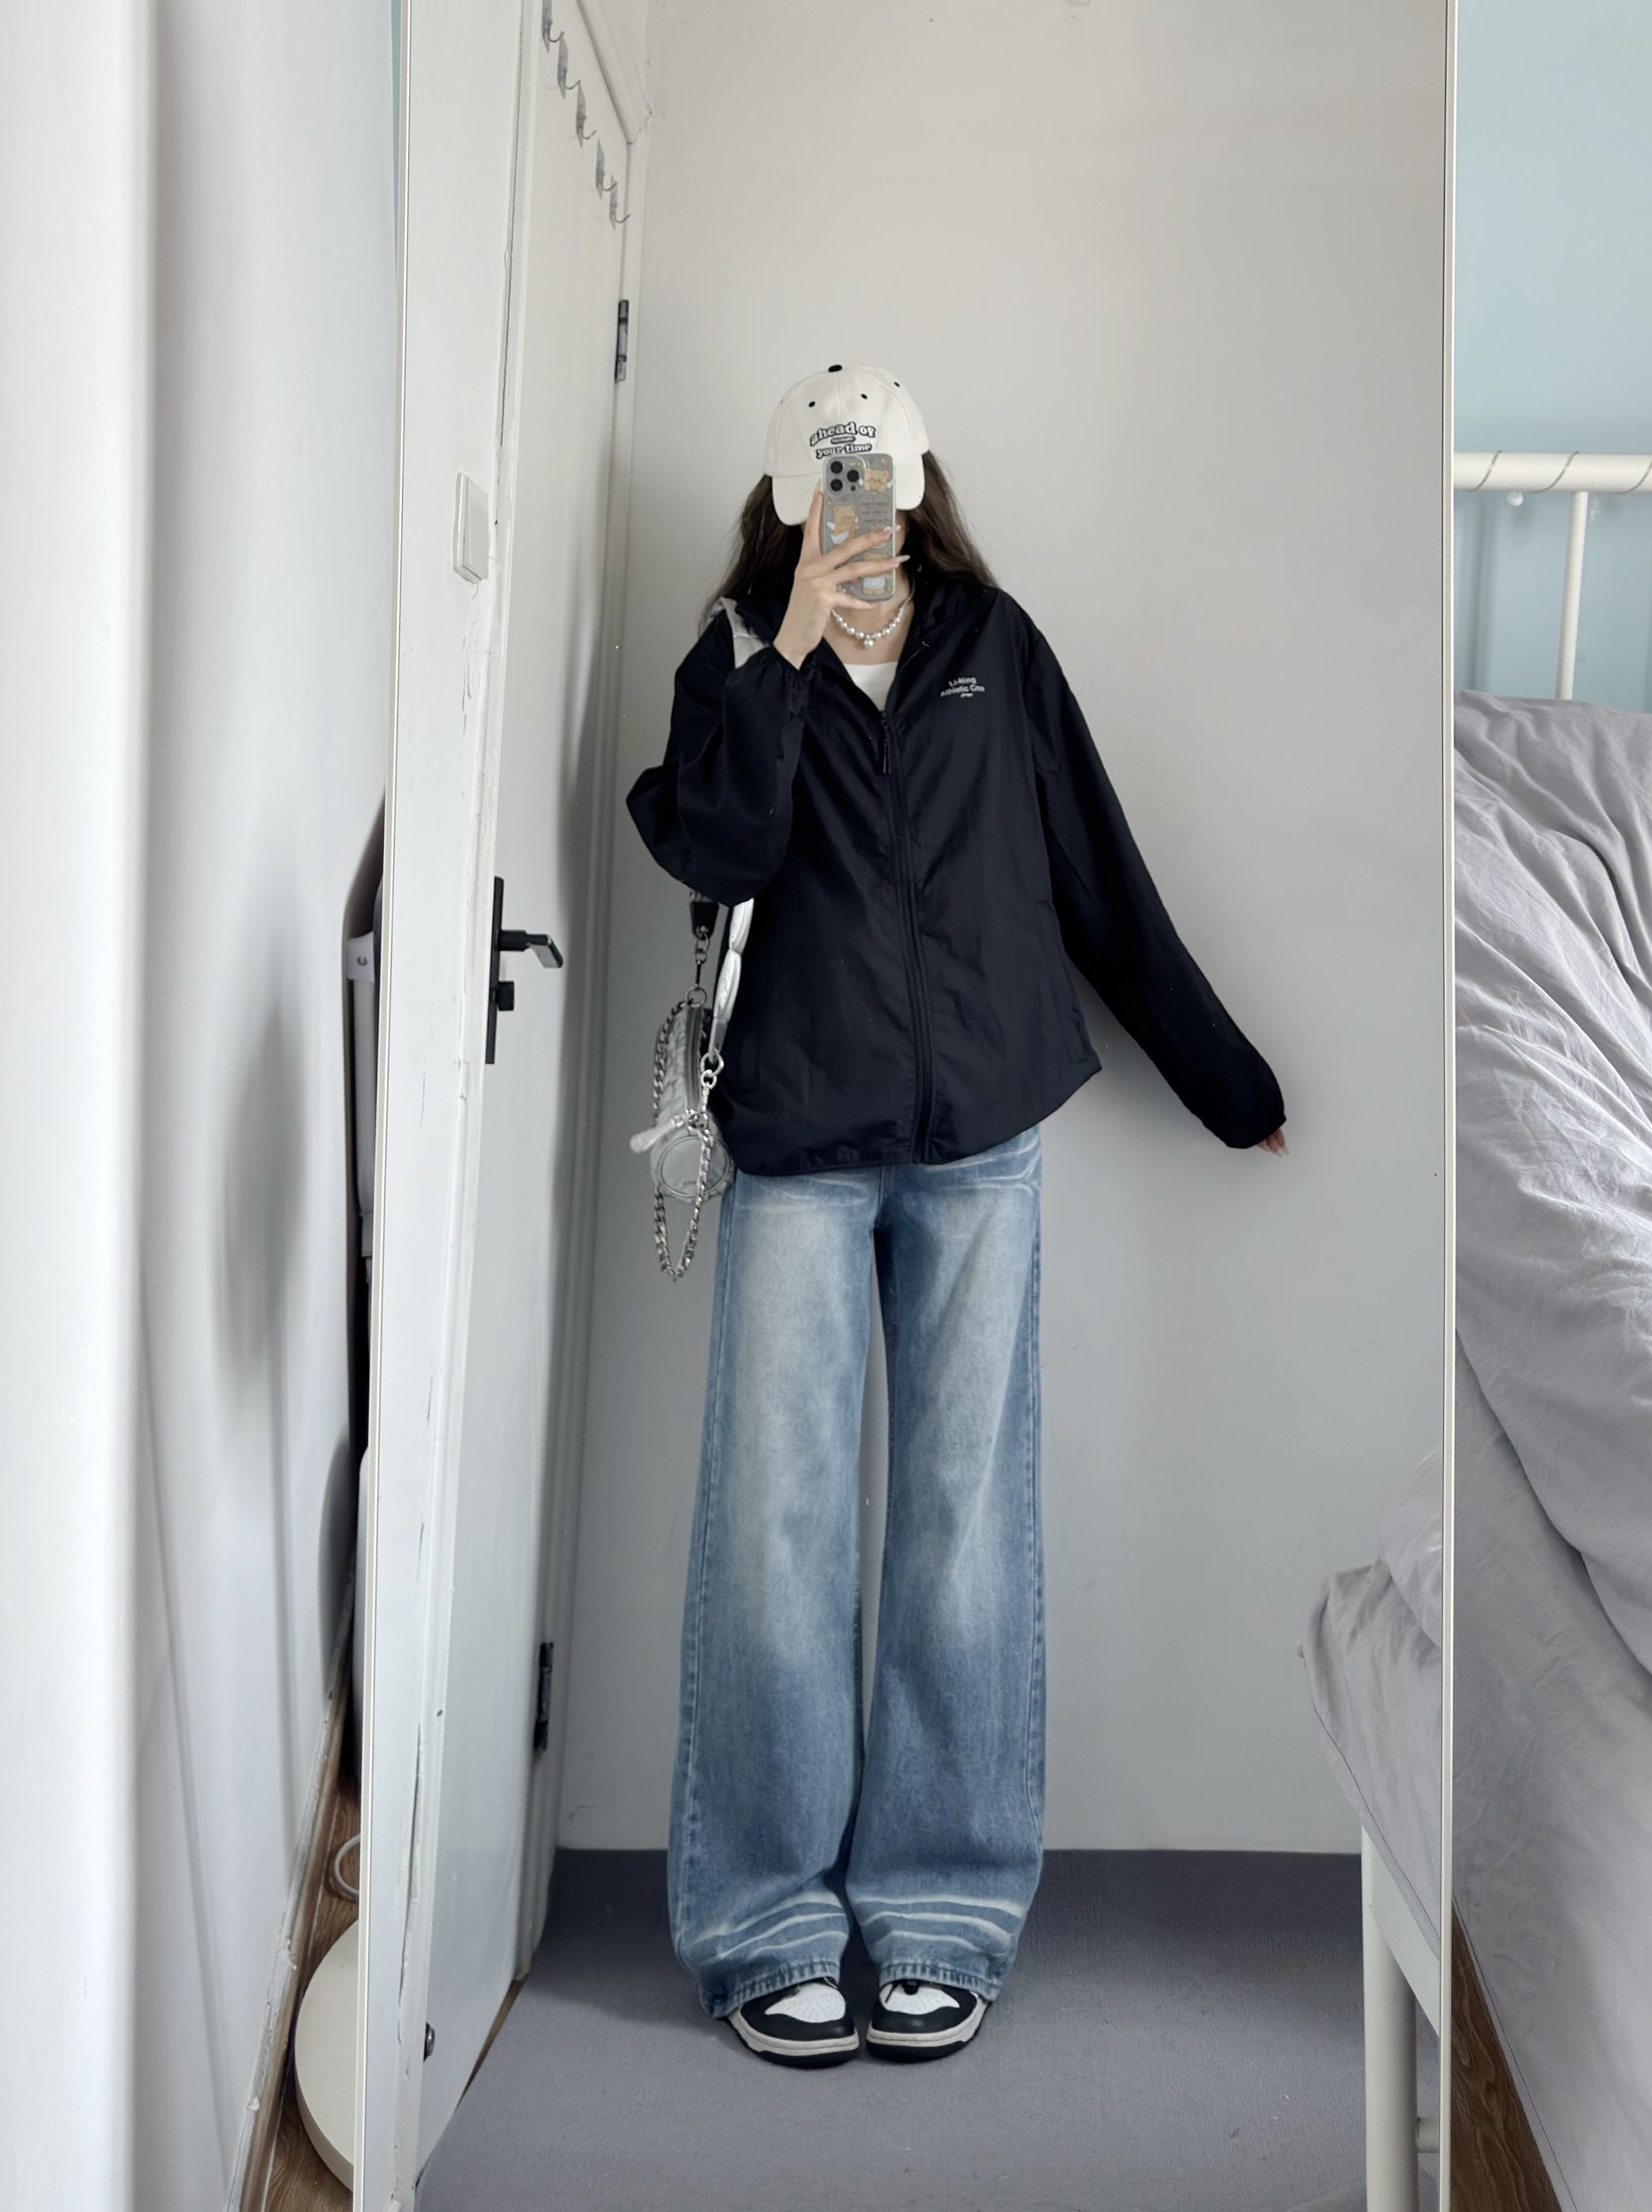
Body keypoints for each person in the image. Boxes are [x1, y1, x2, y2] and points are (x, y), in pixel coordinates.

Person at [627, 366, 1286, 2069]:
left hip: (978, 1138)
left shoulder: (998, 644)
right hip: (797, 1137)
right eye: (824, 480)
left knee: (961, 1526)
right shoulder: (731, 656)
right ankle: (764, 1920)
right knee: (775, 1535)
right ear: (788, 494)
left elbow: (1096, 873)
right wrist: (783, 653)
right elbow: (715, 851)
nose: (854, 506)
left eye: (877, 476)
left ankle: (940, 1911)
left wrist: (1225, 1082)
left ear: (917, 481)